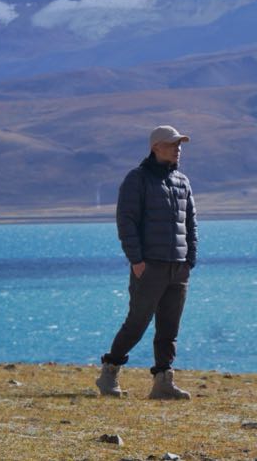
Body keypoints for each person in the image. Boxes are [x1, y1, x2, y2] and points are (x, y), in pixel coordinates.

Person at [96, 124, 197, 400]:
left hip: (178, 267)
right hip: (149, 266)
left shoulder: (182, 181)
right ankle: (109, 373)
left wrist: (190, 259)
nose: (178, 149)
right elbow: (126, 221)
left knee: (169, 327)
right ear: (156, 147)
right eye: (173, 144)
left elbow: (190, 223)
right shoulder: (137, 180)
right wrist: (137, 260)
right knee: (137, 322)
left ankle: (163, 382)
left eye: (180, 145)